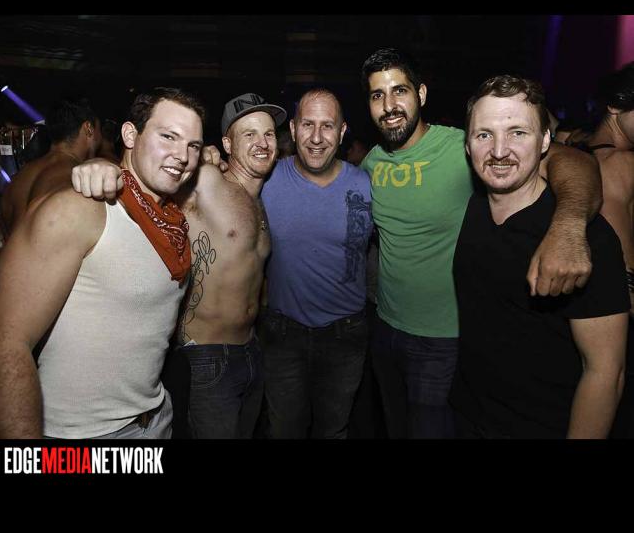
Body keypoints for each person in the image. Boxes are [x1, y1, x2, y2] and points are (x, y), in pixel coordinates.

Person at [359, 47, 603, 439]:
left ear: (421, 94)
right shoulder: (371, 164)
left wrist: (569, 225)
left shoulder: (467, 146)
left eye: (399, 91)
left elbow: (574, 162)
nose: (389, 106)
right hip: (385, 329)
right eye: (377, 95)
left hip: (443, 341)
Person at [73, 92, 287, 439]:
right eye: (249, 134)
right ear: (227, 144)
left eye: (268, 134)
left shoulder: (261, 199)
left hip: (251, 350)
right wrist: (101, 167)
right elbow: (148, 174)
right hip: (207, 357)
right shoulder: (205, 178)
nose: (262, 143)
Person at [0, 87, 204, 439]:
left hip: (156, 420)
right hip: (83, 437)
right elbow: (7, 340)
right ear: (130, 135)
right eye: (168, 136)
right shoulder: (78, 209)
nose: (182, 156)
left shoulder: (171, 221)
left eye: (194, 146)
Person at [449, 75, 629, 438]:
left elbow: (605, 373)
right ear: (467, 144)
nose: (499, 151)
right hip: (469, 415)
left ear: (546, 140)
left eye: (518, 133)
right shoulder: (473, 207)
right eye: (484, 135)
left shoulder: (588, 238)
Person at [259, 88, 373, 439]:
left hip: (346, 334)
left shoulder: (367, 185)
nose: (317, 137)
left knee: (333, 430)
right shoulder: (265, 180)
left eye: (328, 126)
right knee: (284, 431)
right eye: (308, 124)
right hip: (283, 334)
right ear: (293, 129)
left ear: (342, 132)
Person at [566, 62, 634, 437]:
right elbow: (623, 264)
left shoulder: (573, 146)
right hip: (614, 320)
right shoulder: (620, 163)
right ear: (615, 105)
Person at [0, 96, 102, 239]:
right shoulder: (75, 181)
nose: (100, 138)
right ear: (89, 128)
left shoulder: (17, 180)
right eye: (99, 130)